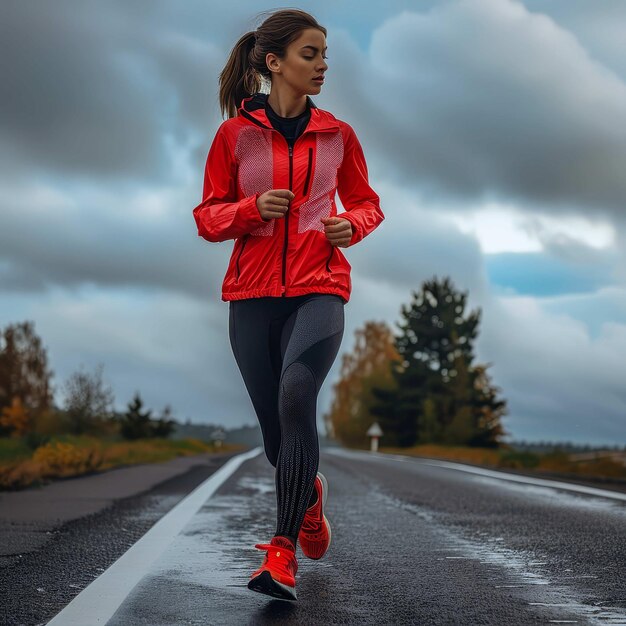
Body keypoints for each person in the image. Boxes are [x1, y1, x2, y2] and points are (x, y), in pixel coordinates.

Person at [192, 8, 384, 601]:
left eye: (325, 55)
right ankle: (310, 495)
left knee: (298, 394)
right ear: (274, 62)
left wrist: (352, 226)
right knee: (280, 441)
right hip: (251, 299)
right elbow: (207, 217)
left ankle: (280, 554)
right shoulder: (233, 137)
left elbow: (368, 202)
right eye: (311, 54)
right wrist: (251, 212)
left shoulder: (338, 135)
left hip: (319, 289)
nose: (323, 65)